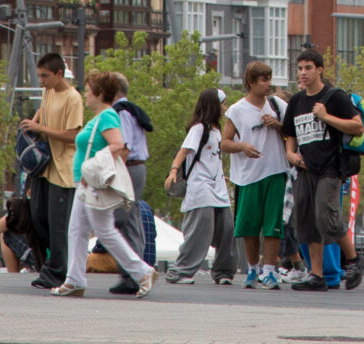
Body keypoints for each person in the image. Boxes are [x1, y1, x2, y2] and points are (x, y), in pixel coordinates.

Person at [56, 69, 153, 297]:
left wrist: (97, 165)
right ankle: (74, 279)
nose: (85, 95)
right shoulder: (100, 117)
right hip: (86, 182)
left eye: (88, 91)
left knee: (105, 230)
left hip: (93, 183)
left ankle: (142, 272)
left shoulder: (108, 116)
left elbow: (118, 144)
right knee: (77, 230)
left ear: (99, 94)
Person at [282, 49, 364, 291]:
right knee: (306, 221)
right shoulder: (297, 101)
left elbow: (357, 127)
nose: (303, 73)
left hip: (330, 167)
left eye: (308, 68)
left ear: (320, 70)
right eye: (300, 68)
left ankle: (354, 259)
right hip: (305, 168)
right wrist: (290, 153)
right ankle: (316, 275)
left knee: (325, 216)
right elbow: (289, 133)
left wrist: (326, 116)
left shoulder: (334, 96)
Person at [17, 53, 84, 289]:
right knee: (38, 216)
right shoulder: (48, 92)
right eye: (39, 76)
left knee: (58, 224)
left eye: (46, 76)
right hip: (44, 166)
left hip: (63, 168)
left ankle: (57, 271)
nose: (41, 81)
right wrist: (32, 125)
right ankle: (51, 265)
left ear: (59, 74)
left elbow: (72, 135)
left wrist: (40, 127)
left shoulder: (73, 98)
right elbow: (41, 115)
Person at [164, 88, 238, 284]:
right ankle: (181, 271)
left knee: (227, 228)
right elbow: (184, 151)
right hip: (201, 187)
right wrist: (173, 171)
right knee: (201, 229)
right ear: (213, 105)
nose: (225, 108)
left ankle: (223, 272)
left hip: (219, 188)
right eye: (223, 103)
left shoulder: (216, 131)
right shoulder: (199, 129)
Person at [225, 60, 288, 289]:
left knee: (273, 223)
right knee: (249, 225)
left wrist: (278, 124)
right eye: (264, 80)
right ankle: (252, 269)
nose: (268, 84)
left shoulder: (277, 104)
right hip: (247, 175)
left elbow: (292, 131)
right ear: (251, 82)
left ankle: (270, 271)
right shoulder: (236, 110)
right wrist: (242, 147)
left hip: (275, 169)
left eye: (270, 79)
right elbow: (225, 142)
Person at [106, 86, 157, 293]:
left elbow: (123, 147)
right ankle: (135, 272)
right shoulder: (131, 109)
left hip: (129, 167)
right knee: (131, 218)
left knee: (122, 220)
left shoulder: (121, 112)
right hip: (137, 168)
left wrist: (115, 173)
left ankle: (133, 274)